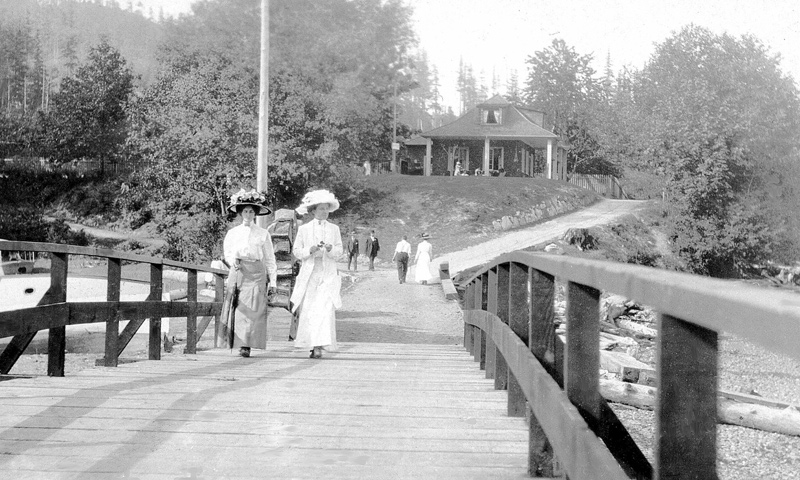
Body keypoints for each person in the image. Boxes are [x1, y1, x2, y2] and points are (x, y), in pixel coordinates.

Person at [222, 189, 278, 358]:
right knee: (239, 308)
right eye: (245, 211)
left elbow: (270, 259)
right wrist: (234, 261)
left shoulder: (263, 233)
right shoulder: (233, 233)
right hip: (239, 271)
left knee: (253, 308)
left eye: (251, 211)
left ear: (256, 213)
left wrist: (273, 282)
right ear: (240, 212)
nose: (248, 214)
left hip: (257, 274)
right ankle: (240, 343)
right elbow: (228, 253)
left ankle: (248, 344)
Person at [289, 189, 344, 359]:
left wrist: (330, 249)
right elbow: (296, 251)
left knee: (325, 308)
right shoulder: (304, 229)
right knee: (311, 308)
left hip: (327, 272)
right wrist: (309, 250)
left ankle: (321, 344)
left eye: (327, 209)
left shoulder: (334, 229)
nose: (325, 212)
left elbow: (340, 250)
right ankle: (312, 344)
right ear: (313, 211)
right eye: (321, 209)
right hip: (311, 272)